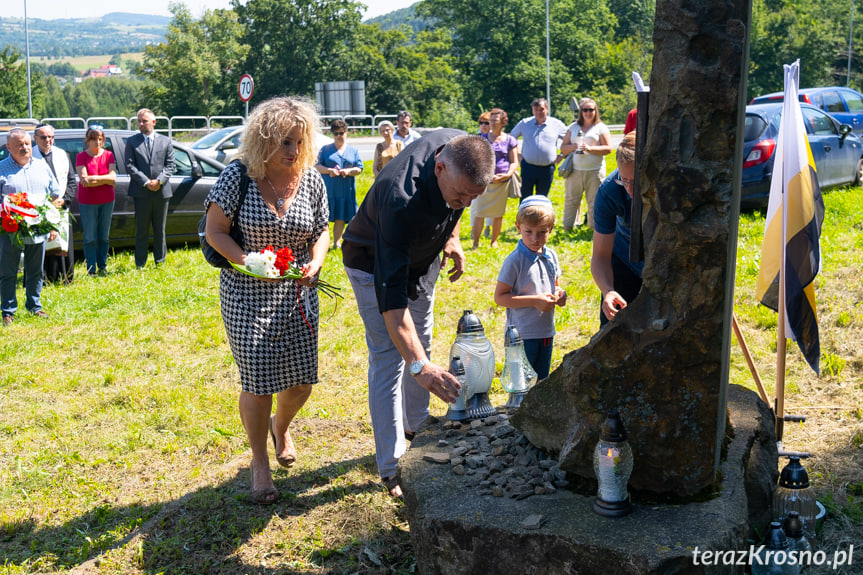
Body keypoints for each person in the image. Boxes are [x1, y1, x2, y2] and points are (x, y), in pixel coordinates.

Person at [341, 130, 495, 498]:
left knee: (420, 340)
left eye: (472, 198)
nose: (463, 203)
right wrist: (418, 366)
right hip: (371, 261)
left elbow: (456, 202)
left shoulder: (460, 146)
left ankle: (418, 427)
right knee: (392, 358)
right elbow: (392, 301)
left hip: (423, 259)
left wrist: (452, 237)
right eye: (460, 196)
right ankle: (392, 468)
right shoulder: (400, 198)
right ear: (439, 168)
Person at [204, 96, 329, 505]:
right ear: (262, 141)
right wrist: (248, 262)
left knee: (302, 382)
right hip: (246, 293)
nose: (293, 151)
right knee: (258, 380)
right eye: (284, 143)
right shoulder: (237, 176)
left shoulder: (310, 179)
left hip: (296, 292)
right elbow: (215, 232)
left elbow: (322, 231)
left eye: (298, 142)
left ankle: (282, 425)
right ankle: (260, 462)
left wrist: (315, 261)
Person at [493, 195, 566, 379]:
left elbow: (555, 285)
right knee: (522, 384)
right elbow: (500, 297)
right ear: (518, 227)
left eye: (542, 232)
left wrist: (560, 294)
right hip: (522, 334)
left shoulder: (551, 256)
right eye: (529, 232)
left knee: (541, 381)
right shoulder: (514, 261)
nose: (535, 238)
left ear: (551, 229)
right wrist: (534, 301)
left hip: (546, 330)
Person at [0, 128, 60, 325]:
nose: (24, 147)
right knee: (8, 271)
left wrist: (52, 225)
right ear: (9, 147)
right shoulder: (1, 169)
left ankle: (35, 306)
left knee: (35, 270)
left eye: (26, 143)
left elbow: (53, 196)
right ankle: (8, 311)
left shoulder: (41, 166)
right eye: (19, 144)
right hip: (11, 230)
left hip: (38, 229)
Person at [590, 131, 642, 327]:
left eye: (635, 182)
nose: (629, 189)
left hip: (661, 267)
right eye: (624, 180)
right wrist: (608, 290)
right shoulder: (610, 191)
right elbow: (600, 256)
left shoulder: (668, 189)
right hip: (624, 261)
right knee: (614, 329)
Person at [125, 108, 175, 268]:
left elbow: (170, 165)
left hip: (161, 192)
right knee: (141, 230)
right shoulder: (132, 142)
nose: (140, 124)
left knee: (160, 229)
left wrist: (159, 181)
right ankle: (140, 263)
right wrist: (146, 182)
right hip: (141, 192)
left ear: (153, 122)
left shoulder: (165, 141)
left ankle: (160, 261)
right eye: (138, 121)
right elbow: (129, 165)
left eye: (144, 121)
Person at [559, 98, 613, 231]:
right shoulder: (573, 127)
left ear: (596, 111)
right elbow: (563, 148)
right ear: (581, 111)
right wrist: (573, 146)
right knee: (571, 200)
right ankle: (567, 228)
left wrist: (590, 149)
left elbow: (608, 149)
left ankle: (593, 229)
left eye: (591, 110)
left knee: (594, 202)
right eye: (585, 110)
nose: (588, 112)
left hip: (595, 171)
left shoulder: (600, 127)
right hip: (575, 170)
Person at [33, 122, 76, 283]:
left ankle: (64, 277)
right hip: (39, 209)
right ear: (35, 138)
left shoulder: (62, 154)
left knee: (62, 241)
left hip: (61, 207)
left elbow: (72, 180)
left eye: (50, 137)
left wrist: (65, 200)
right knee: (43, 243)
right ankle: (43, 279)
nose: (47, 140)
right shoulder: (30, 156)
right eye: (43, 137)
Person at [471, 107, 518, 248]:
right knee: (479, 212)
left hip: (502, 182)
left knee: (498, 214)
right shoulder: (482, 139)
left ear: (503, 122)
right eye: (490, 121)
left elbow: (514, 161)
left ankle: (494, 241)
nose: (491, 123)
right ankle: (475, 242)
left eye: (495, 121)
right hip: (484, 182)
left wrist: (508, 174)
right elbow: (476, 160)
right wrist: (485, 174)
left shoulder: (510, 140)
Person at [76, 126, 117, 276]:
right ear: (88, 140)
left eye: (100, 139)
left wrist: (94, 178)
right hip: (87, 202)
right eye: (94, 139)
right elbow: (84, 181)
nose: (97, 142)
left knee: (104, 236)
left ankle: (102, 266)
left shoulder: (109, 155)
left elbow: (113, 177)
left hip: (107, 200)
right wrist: (105, 180)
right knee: (90, 237)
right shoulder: (81, 156)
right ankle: (91, 269)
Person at [316, 119, 363, 250]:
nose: (339, 136)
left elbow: (359, 168)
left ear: (346, 133)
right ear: (332, 134)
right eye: (336, 133)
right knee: (324, 216)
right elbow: (317, 166)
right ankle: (321, 243)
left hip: (345, 190)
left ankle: (336, 242)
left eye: (341, 133)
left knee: (340, 216)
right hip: (329, 189)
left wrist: (348, 171)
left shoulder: (353, 150)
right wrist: (329, 170)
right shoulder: (325, 149)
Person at [510, 98, 567, 199]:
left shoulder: (556, 124)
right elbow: (511, 139)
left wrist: (562, 155)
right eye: (536, 109)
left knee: (542, 198)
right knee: (525, 197)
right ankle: (524, 215)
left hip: (547, 168)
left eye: (541, 109)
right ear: (532, 110)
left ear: (547, 109)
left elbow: (569, 139)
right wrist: (517, 154)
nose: (539, 112)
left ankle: (540, 215)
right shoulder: (524, 123)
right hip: (528, 167)